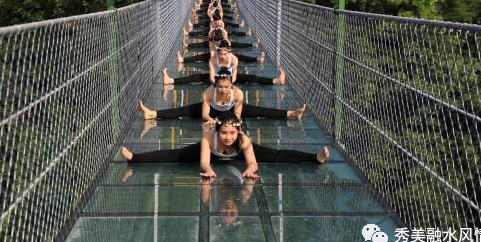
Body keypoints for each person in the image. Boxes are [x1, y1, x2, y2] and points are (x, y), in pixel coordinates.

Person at [120, 116, 330, 179]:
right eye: (224, 132)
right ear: (218, 131)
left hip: (236, 157)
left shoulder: (243, 140)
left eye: (232, 133)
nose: (228, 136)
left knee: (275, 154)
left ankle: (315, 157)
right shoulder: (208, 138)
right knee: (173, 154)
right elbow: (203, 161)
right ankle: (134, 157)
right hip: (213, 154)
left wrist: (250, 169)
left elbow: (252, 161)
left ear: (237, 132)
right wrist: (208, 169)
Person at [139, 68, 306, 122]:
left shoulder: (238, 94)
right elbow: (204, 114)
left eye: (226, 87)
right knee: (184, 111)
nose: (223, 90)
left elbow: (237, 115)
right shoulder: (209, 92)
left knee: (259, 111)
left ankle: (291, 113)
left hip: (231, 109)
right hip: (212, 110)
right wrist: (211, 120)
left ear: (231, 85)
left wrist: (230, 123)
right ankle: (152, 113)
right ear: (216, 85)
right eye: (220, 87)